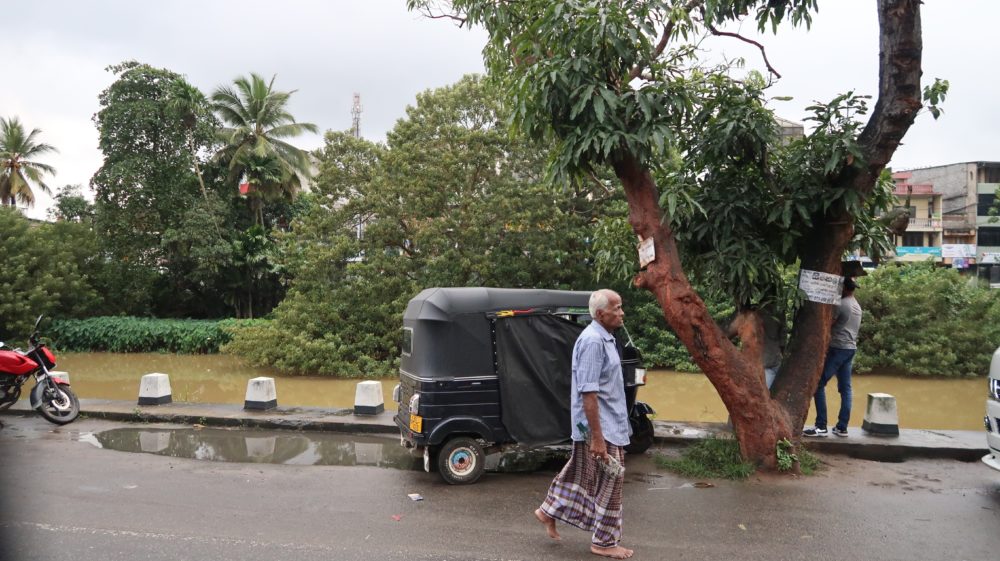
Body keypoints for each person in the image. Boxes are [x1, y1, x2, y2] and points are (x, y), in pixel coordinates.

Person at [533, 289, 634, 560]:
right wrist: (597, 438)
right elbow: (588, 394)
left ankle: (547, 511)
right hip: (600, 427)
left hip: (606, 423)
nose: (622, 313)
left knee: (580, 472)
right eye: (617, 308)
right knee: (612, 480)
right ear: (601, 314)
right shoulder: (593, 342)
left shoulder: (606, 338)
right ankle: (603, 542)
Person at [804, 277, 863, 437]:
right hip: (850, 348)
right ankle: (842, 427)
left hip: (838, 349)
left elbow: (828, 325)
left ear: (843, 288)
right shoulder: (856, 305)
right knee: (846, 389)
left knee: (818, 384)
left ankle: (821, 426)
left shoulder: (842, 305)